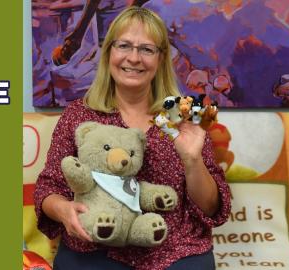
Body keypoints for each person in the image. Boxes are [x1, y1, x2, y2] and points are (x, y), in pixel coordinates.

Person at [33, 6, 231, 270]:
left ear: (161, 58)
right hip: (95, 247)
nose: (134, 58)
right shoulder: (79, 114)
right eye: (124, 46)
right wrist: (63, 210)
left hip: (176, 252)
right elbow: (49, 188)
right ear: (109, 52)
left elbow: (212, 210)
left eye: (147, 49)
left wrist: (193, 160)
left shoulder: (182, 113)